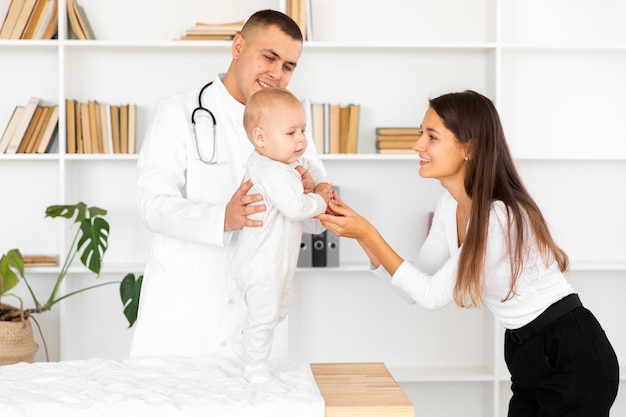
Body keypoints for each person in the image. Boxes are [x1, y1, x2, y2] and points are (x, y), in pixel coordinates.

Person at [317, 90, 619, 416]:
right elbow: (415, 287)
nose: (418, 145)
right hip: (526, 350)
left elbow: (432, 295)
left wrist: (367, 232)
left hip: (571, 353)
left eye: (431, 136)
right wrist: (360, 235)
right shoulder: (451, 205)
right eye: (421, 134)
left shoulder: (498, 216)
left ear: (469, 148)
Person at [130, 10, 325, 359]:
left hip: (254, 321)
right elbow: (153, 206)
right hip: (183, 318)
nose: (277, 74)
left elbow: (312, 218)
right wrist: (224, 217)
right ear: (238, 46)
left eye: (289, 66)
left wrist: (318, 193)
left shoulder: (293, 126)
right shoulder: (179, 113)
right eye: (269, 57)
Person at [232, 87, 331, 383]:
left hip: (279, 261)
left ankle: (249, 348)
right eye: (291, 133)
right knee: (264, 316)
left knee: (280, 308)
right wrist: (322, 197)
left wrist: (317, 183)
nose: (301, 139)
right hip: (260, 262)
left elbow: (312, 172)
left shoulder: (286, 163)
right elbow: (296, 207)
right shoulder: (268, 169)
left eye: (304, 130)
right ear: (261, 138)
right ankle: (254, 366)